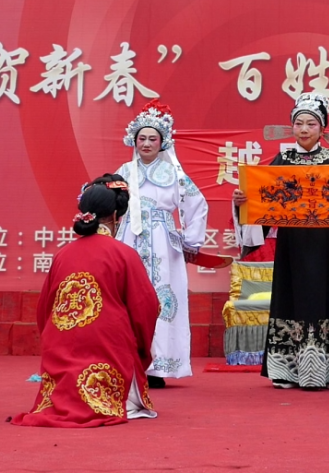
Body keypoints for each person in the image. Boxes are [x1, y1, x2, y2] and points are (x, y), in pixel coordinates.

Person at [232, 93, 329, 390]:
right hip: (292, 244)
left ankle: (328, 371)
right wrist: (243, 201)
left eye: (311, 123)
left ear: (322, 128)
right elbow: (261, 200)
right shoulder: (282, 161)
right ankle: (287, 370)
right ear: (292, 127)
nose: (304, 129)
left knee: (327, 299)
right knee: (291, 298)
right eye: (299, 123)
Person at [12, 174, 160, 428]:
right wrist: (141, 350)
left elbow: (44, 310)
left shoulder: (63, 254)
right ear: (115, 216)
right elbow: (145, 307)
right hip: (108, 348)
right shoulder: (124, 254)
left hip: (59, 350)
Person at [114, 100, 208, 388]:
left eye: (152, 139)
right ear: (134, 140)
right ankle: (127, 362)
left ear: (162, 142)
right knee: (127, 296)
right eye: (141, 138)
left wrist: (191, 241)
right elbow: (111, 204)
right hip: (130, 236)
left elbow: (197, 205)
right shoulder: (124, 171)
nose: (146, 144)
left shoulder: (175, 174)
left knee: (162, 297)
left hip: (163, 241)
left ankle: (158, 366)